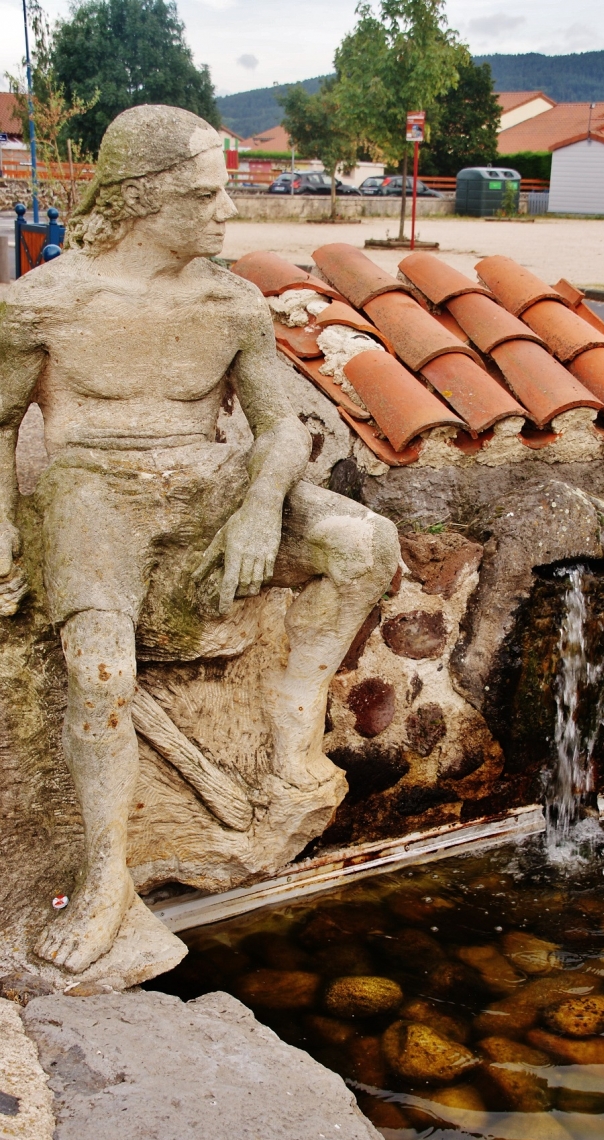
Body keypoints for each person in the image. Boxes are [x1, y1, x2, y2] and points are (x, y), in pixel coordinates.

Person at [0, 105, 399, 975]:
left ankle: (292, 729)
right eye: (207, 196)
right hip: (93, 492)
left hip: (211, 485)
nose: (227, 215)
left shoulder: (230, 300)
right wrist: (2, 528)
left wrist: (261, 504)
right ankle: (106, 876)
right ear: (143, 198)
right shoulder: (46, 303)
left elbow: (281, 428)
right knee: (100, 671)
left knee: (366, 544)